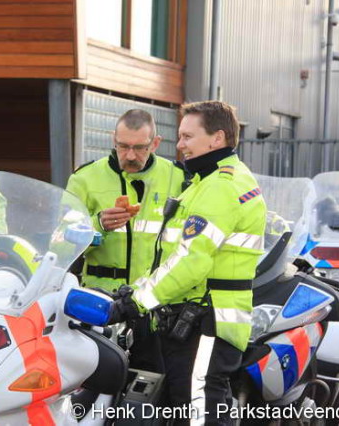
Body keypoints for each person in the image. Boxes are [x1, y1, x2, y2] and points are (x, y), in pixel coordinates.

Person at [109, 101, 267, 425]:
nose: (179, 145)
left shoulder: (221, 186)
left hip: (206, 322)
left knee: (199, 414)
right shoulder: (207, 182)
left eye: (187, 136)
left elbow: (192, 260)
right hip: (198, 321)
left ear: (217, 138)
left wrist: (136, 302)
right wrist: (133, 291)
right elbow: (171, 256)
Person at [66, 109, 188, 373]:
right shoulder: (85, 178)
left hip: (155, 307)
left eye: (139, 148)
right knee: (95, 381)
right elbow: (61, 238)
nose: (130, 155)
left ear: (155, 143)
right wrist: (97, 224)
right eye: (123, 146)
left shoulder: (178, 178)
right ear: (113, 139)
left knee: (152, 382)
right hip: (101, 305)